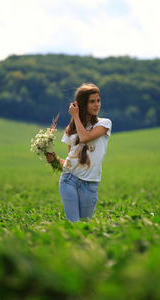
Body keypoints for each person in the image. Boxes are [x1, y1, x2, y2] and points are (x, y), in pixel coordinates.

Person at [46, 83, 112, 222]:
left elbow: (85, 138)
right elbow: (71, 160)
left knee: (84, 224)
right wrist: (56, 160)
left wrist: (75, 116)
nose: (97, 104)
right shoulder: (71, 129)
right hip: (69, 180)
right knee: (73, 222)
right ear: (83, 103)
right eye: (92, 101)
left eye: (98, 100)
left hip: (90, 183)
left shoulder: (104, 124)